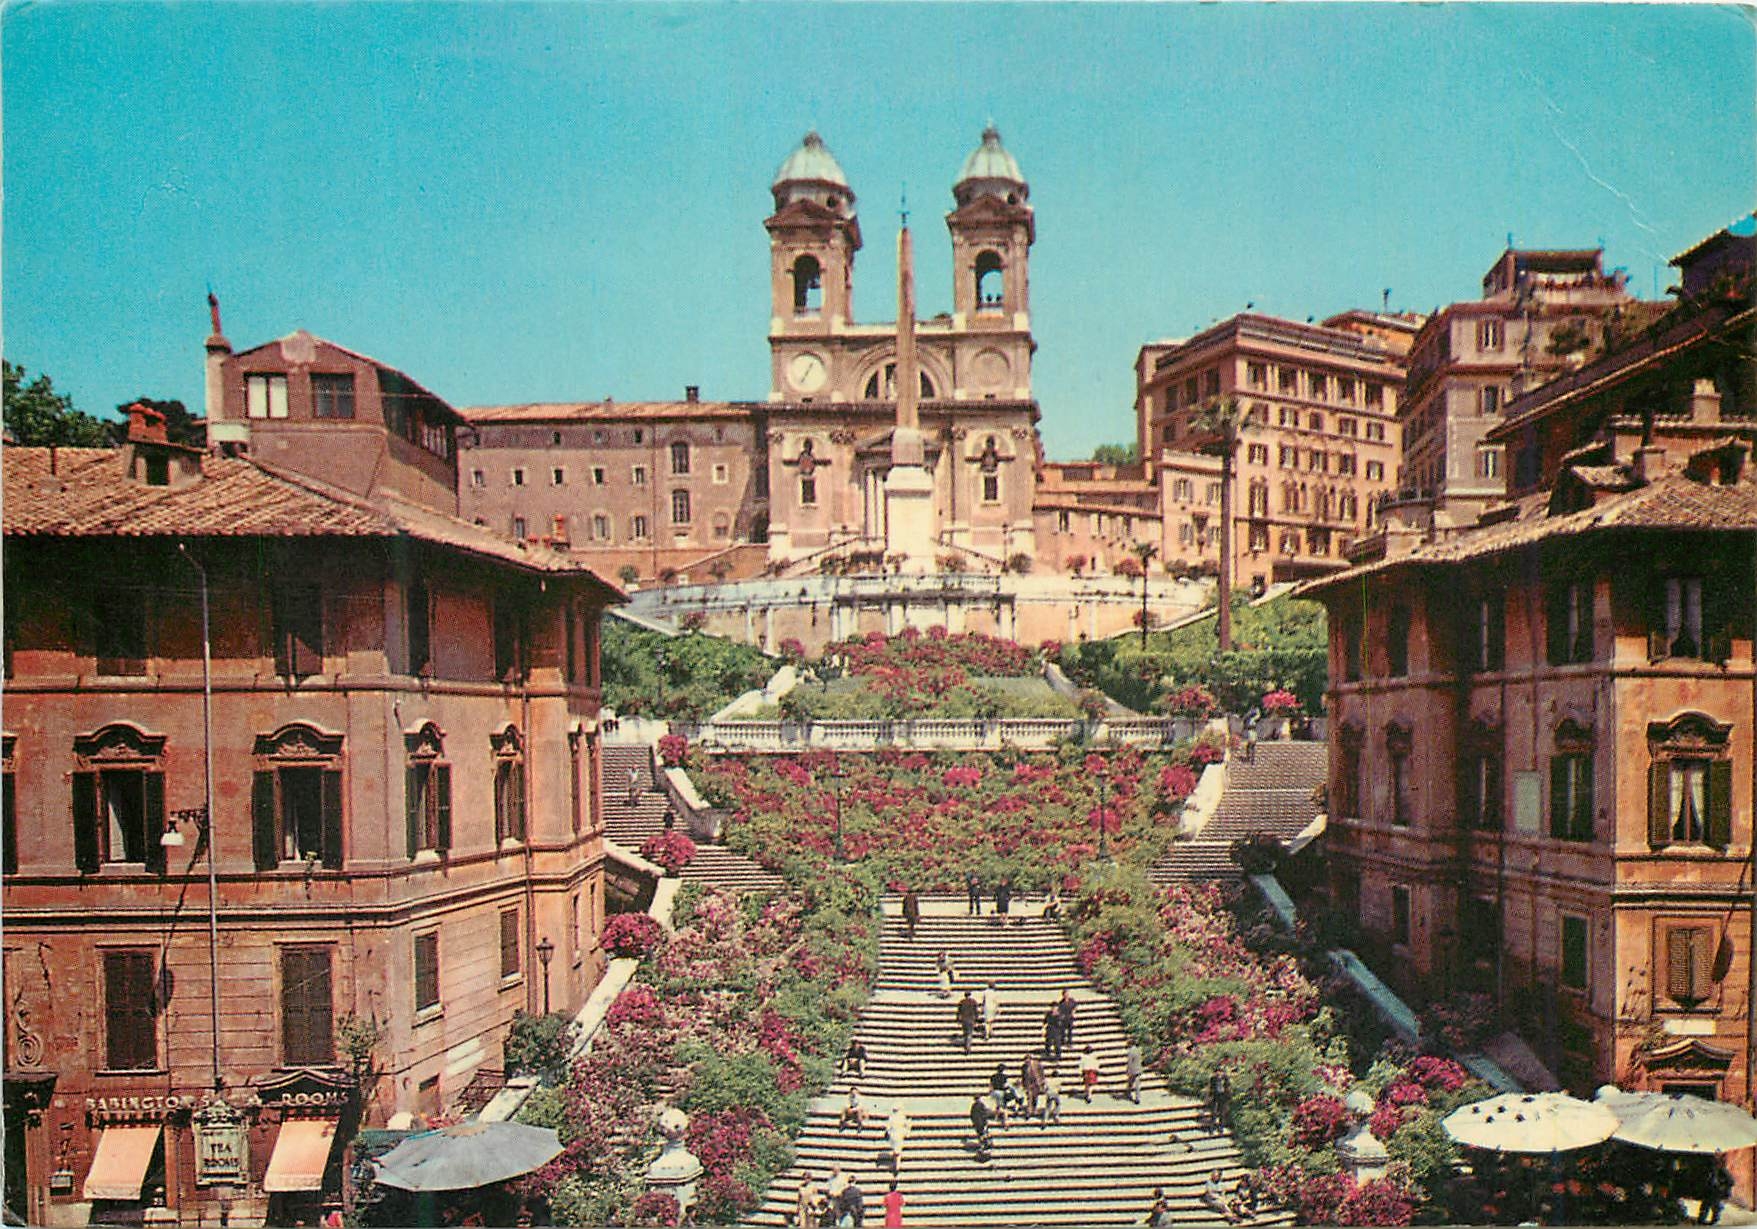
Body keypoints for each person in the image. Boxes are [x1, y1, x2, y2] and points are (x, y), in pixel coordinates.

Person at [1699, 1158, 1734, 1225]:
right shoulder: (1710, 1172)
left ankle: (1714, 1221)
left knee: (1716, 1206)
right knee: (1706, 1205)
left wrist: (1721, 1186)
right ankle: (1701, 1219)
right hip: (1712, 1192)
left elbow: (1731, 1182)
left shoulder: (1723, 1171)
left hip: (1719, 1193)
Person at [884, 1106, 910, 1174]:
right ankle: (896, 1165)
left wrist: (888, 1133)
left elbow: (888, 1127)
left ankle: (896, 1166)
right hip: (899, 1135)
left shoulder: (891, 1118)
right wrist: (906, 1133)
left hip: (894, 1135)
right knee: (898, 1150)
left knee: (896, 1151)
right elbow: (907, 1125)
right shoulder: (902, 1117)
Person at [1021, 1052, 1045, 1118]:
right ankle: (1029, 1112)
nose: (1026, 1061)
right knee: (1029, 1097)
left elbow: (1042, 1073)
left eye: (1027, 1060)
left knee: (1035, 1097)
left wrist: (1042, 1082)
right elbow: (1023, 1076)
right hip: (1029, 1084)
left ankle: (1034, 1109)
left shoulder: (1037, 1064)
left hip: (1036, 1083)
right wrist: (1024, 1085)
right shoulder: (1023, 1067)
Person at [969, 1093, 993, 1158]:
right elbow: (985, 1113)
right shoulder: (980, 1105)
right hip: (980, 1123)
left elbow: (972, 1115)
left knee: (981, 1135)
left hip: (979, 1123)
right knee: (982, 1135)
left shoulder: (975, 1106)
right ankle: (984, 1147)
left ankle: (983, 1147)